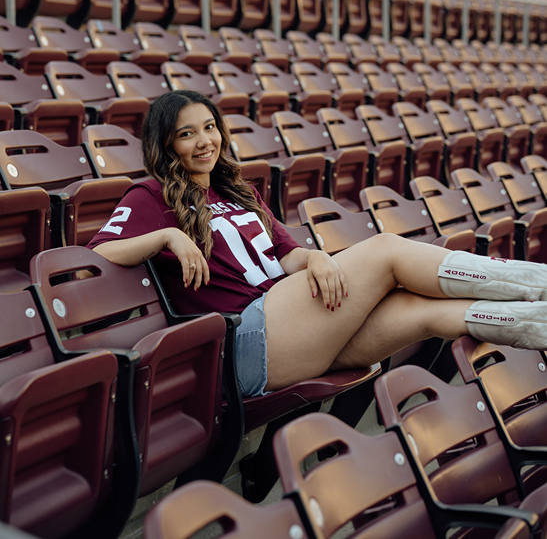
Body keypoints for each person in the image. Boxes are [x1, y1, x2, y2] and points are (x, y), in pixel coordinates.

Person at [89, 90, 547, 398]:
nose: (204, 141)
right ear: (165, 145)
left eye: (209, 127)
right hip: (244, 341)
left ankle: (537, 319)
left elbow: (289, 255)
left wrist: (318, 257)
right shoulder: (149, 196)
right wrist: (169, 235)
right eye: (186, 134)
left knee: (422, 312)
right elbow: (97, 256)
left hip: (295, 326)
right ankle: (536, 279)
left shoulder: (236, 190)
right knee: (385, 249)